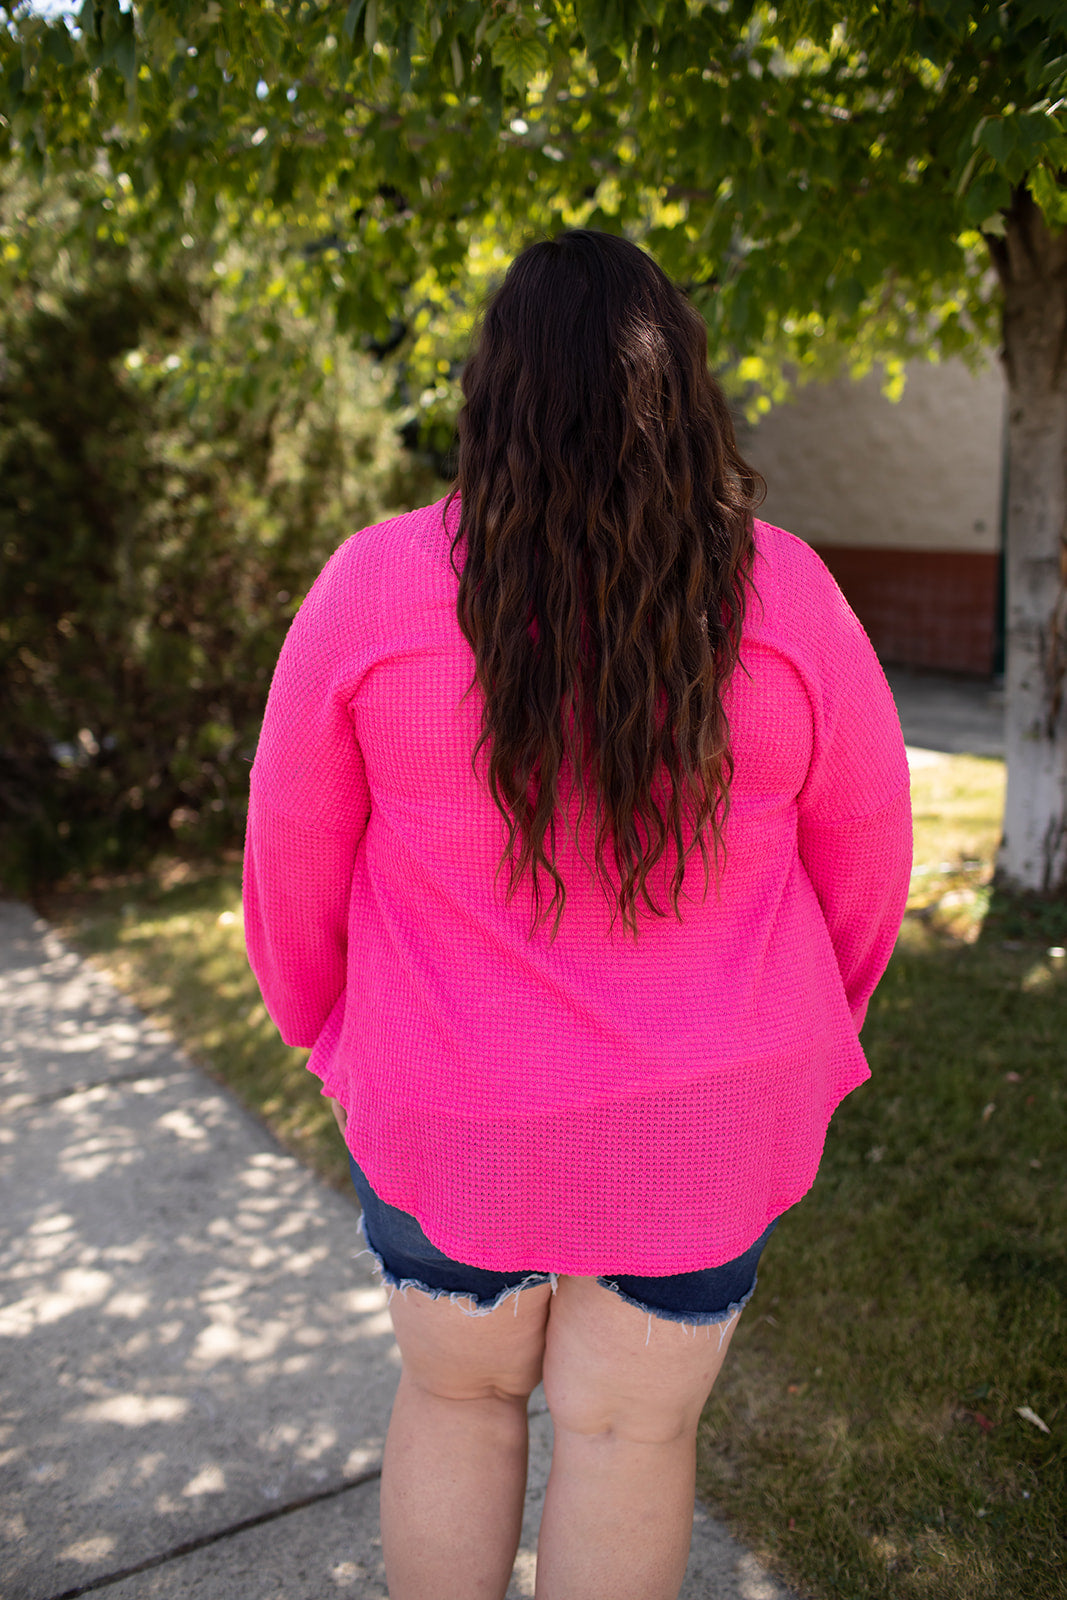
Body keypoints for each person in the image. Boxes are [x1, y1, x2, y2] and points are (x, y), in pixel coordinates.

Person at [243, 229, 912, 1600]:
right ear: (687, 393)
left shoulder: (373, 584)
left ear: (491, 393)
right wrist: (797, 1037)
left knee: (458, 1403)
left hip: (447, 1105)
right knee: (630, 1437)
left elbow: (288, 861)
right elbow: (869, 860)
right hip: (708, 1116)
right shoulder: (786, 587)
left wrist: (326, 1034)